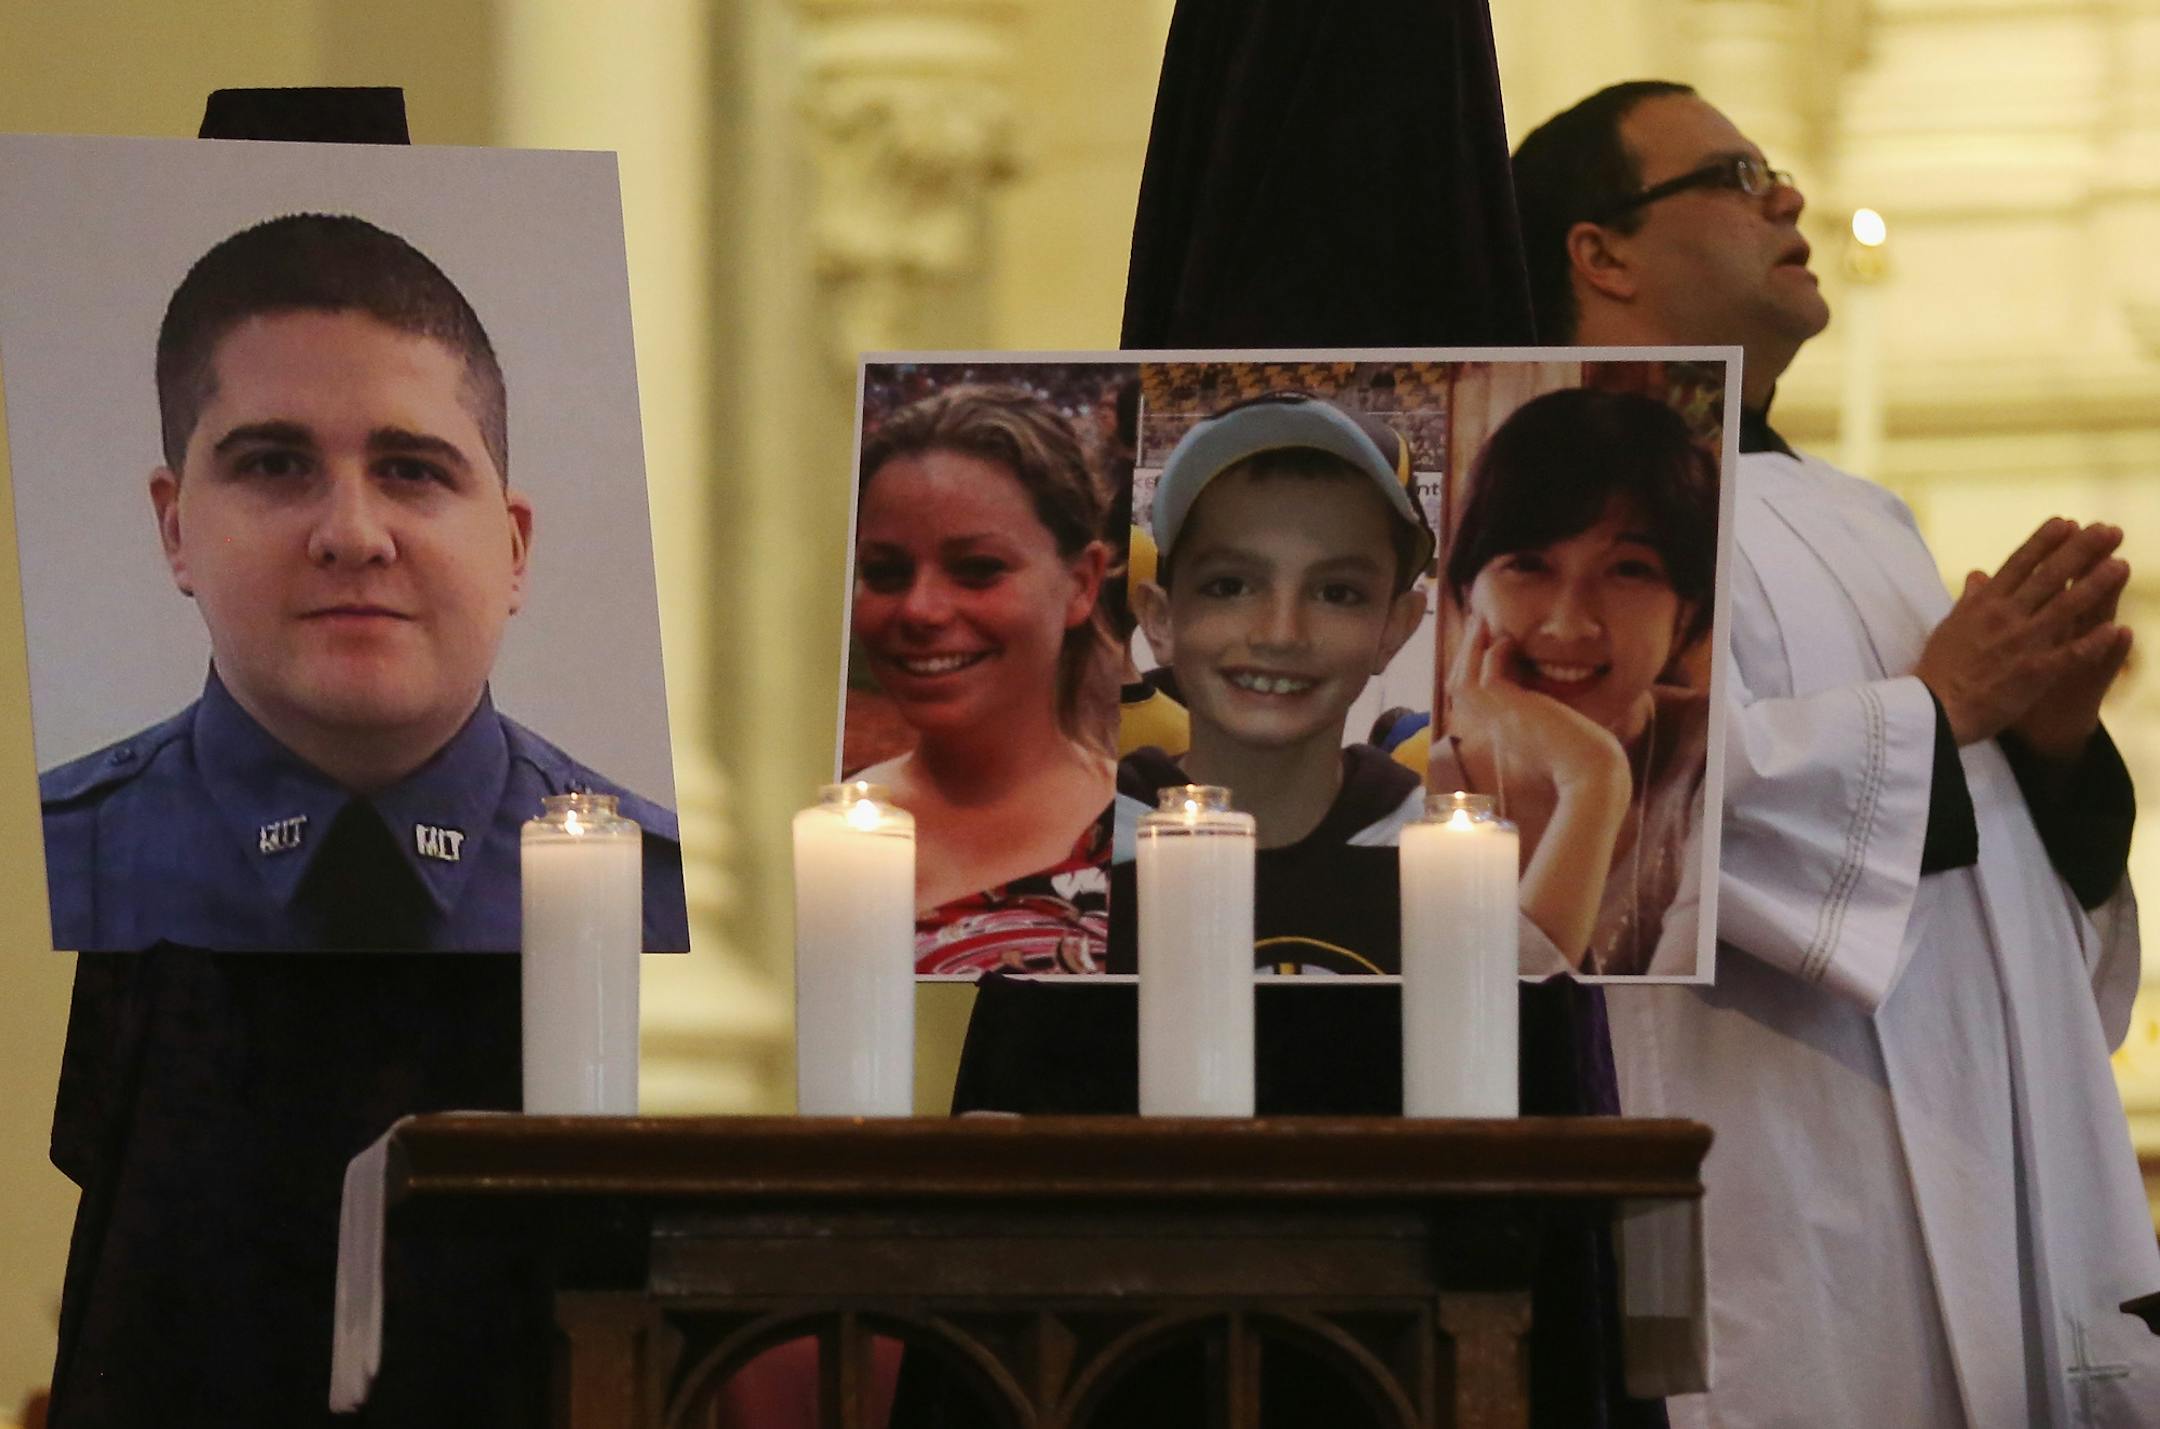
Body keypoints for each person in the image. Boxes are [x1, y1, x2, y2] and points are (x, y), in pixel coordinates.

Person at [1514, 80, 2156, 1424]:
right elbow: (1641, 816)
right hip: (1785, 1168)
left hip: (1992, 1136)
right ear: (1602, 251)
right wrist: (1938, 707)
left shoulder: (1862, 516)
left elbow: (1995, 883)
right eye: (1738, 176)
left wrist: (2052, 754)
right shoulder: (1561, 522)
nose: (1788, 197)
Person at [37, 212, 688, 954]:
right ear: (176, 529)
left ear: (513, 549)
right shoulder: (36, 881)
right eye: (276, 465)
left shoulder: (660, 903)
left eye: (411, 470)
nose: (352, 535)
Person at [1107, 392, 1432, 974]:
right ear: (1160, 620)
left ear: (1395, 629)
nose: (1281, 634)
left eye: (1337, 593)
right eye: (1230, 586)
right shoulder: (1088, 855)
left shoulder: (1443, 855)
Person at [1435, 386, 1717, 977]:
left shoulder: (1725, 764)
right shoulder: (1409, 799)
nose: (1569, 623)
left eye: (1628, 570)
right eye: (1528, 565)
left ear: (1686, 610)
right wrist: (1593, 779)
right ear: (1466, 591)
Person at [848, 384, 1118, 975]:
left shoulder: (1157, 843)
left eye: (978, 569)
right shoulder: (816, 830)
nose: (920, 610)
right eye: (885, 572)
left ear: (1081, 584)